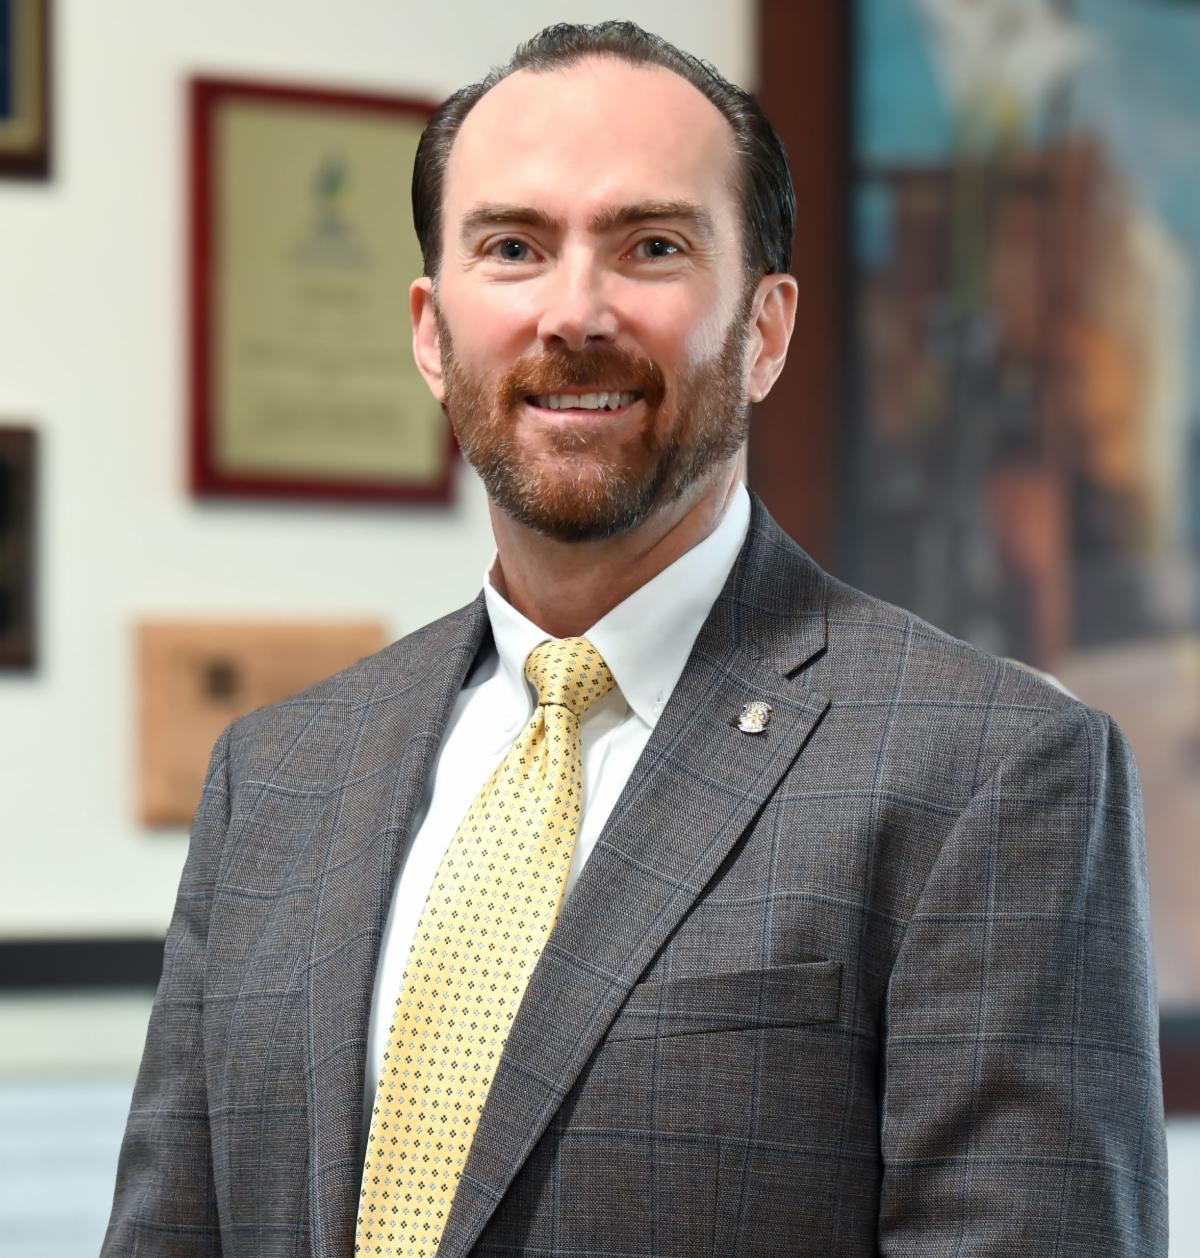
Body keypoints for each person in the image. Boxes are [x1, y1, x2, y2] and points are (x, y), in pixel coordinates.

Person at [103, 21, 1167, 1257]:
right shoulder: (275, 776)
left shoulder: (996, 772)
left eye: (652, 246)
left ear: (766, 329)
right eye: (512, 247)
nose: (575, 312)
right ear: (432, 333)